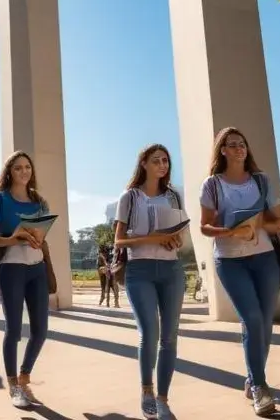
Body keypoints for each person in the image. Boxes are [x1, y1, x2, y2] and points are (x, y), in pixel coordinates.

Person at [199, 127, 280, 418]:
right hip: (230, 260)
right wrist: (230, 231)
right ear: (222, 150)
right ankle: (261, 388)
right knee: (251, 319)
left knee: (264, 323)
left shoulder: (262, 181)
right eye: (232, 144)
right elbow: (204, 227)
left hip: (264, 258)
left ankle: (251, 379)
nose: (239, 149)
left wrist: (258, 223)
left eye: (243, 144)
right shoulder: (212, 185)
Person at [114, 144, 188, 420]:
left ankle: (163, 399)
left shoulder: (174, 197)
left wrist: (174, 238)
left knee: (170, 336)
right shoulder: (130, 197)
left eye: (166, 161)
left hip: (171, 269)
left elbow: (179, 232)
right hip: (140, 271)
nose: (162, 165)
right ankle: (147, 390)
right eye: (156, 160)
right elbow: (119, 240)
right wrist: (154, 237)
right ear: (143, 163)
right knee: (151, 332)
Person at [0, 150, 54, 409]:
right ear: (9, 172)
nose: (24, 171)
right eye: (18, 168)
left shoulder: (39, 202)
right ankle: (13, 385)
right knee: (13, 330)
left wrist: (37, 237)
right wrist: (15, 237)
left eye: (27, 167)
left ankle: (24, 379)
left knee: (40, 331)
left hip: (36, 269)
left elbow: (42, 236)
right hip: (10, 268)